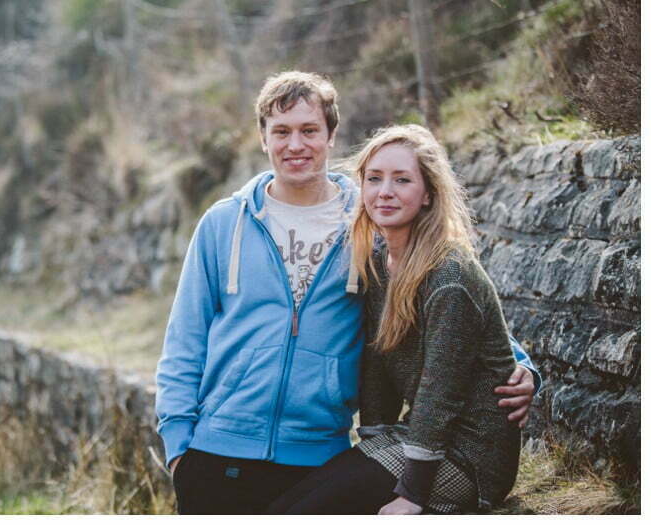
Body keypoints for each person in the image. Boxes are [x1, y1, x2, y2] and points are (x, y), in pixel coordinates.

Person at [155, 72, 539, 515]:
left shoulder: (370, 221)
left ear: (331, 135)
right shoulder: (225, 224)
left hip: (318, 454)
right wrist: (178, 444)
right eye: (281, 131)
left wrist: (524, 368)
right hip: (216, 449)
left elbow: (461, 308)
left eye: (309, 130)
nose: (295, 145)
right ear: (263, 138)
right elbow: (185, 339)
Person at [268, 124, 524, 515]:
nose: (384, 191)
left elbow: (440, 392)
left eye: (401, 180)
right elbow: (377, 363)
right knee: (288, 506)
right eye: (374, 179)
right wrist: (371, 440)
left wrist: (411, 496)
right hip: (410, 440)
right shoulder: (377, 261)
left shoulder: (450, 277)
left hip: (470, 457)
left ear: (427, 195)